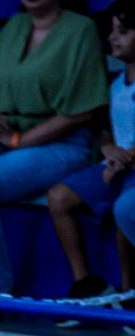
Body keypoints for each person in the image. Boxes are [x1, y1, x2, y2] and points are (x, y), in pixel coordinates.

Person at [0, 0, 107, 292]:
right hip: (4, 136)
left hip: (62, 144)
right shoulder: (15, 26)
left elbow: (82, 112)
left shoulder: (81, 30)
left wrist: (22, 141)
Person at [47, 0, 135, 308]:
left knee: (125, 208)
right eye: (112, 31)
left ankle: (129, 291)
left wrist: (126, 157)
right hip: (117, 164)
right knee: (59, 198)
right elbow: (105, 128)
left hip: (128, 167)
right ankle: (87, 283)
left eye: (123, 32)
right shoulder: (115, 84)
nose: (113, 38)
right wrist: (110, 149)